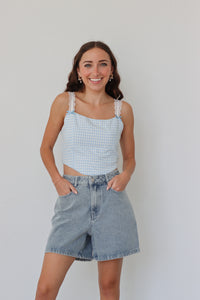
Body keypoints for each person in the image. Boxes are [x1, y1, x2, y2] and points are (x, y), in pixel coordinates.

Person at [35, 41, 140, 300]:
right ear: (79, 71)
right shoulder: (65, 103)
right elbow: (45, 148)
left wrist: (125, 176)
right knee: (46, 289)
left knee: (108, 286)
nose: (96, 71)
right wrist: (58, 181)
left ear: (111, 70)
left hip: (111, 201)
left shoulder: (122, 110)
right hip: (73, 197)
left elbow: (130, 159)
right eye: (88, 64)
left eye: (103, 64)